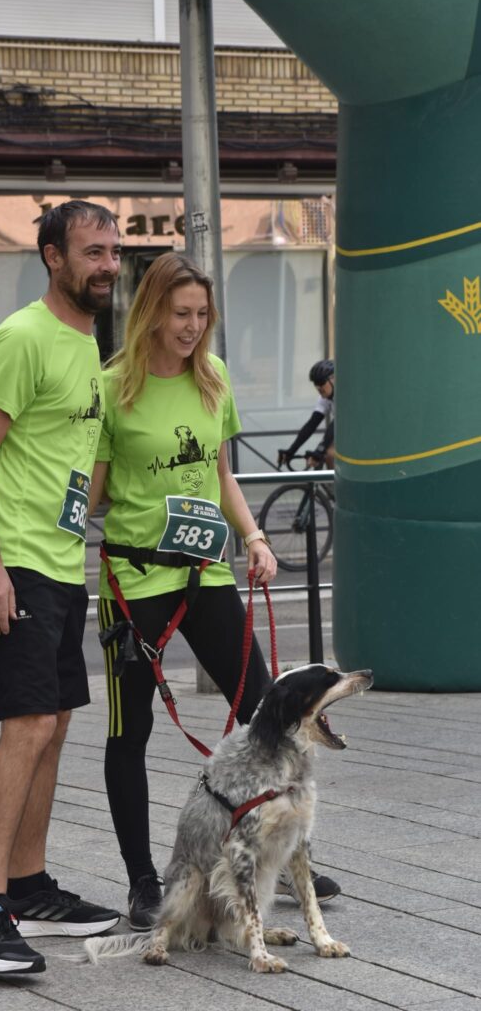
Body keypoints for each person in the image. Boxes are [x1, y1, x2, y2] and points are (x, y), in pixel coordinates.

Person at [90, 254, 341, 933]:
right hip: (136, 579)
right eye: (181, 314)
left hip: (205, 573)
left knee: (265, 711)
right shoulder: (111, 386)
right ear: (151, 312)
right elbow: (93, 489)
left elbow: (221, 472)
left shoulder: (213, 376)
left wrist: (254, 537)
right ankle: (143, 881)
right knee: (130, 728)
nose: (192, 327)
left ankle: (290, 858)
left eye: (202, 315)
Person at [0, 200, 123, 976]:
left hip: (57, 561)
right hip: (10, 560)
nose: (107, 264)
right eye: (92, 251)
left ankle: (27, 886)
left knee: (53, 724)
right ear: (53, 256)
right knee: (26, 725)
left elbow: (73, 465)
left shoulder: (85, 342)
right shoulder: (22, 337)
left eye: (113, 251)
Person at [278, 358, 335, 470]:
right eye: (315, 384)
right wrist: (291, 450)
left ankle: (339, 482)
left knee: (330, 454)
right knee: (325, 454)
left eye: (321, 382)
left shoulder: (346, 394)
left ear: (333, 379)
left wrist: (320, 450)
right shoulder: (324, 398)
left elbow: (337, 424)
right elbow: (311, 425)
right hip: (347, 432)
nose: (318, 387)